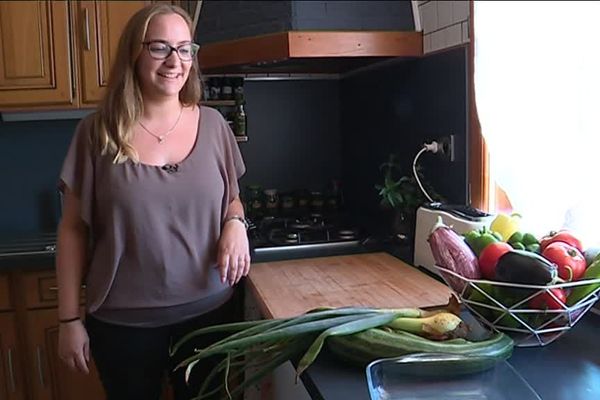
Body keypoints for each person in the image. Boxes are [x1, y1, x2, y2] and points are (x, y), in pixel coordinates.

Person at [55, 4, 250, 399]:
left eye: (184, 48)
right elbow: (72, 230)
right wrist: (68, 319)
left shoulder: (214, 126)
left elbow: (233, 201)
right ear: (134, 53)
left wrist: (235, 225)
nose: (174, 61)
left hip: (210, 317)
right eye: (160, 47)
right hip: (122, 325)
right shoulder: (97, 133)